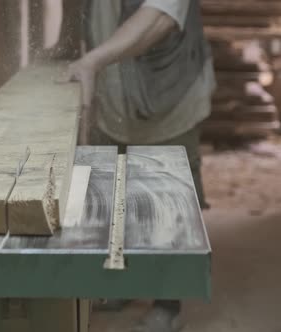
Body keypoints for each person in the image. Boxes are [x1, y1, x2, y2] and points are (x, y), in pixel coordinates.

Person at [60, 1, 215, 331]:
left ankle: (168, 302)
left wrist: (91, 61)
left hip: (167, 98)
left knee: (168, 206)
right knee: (119, 201)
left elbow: (158, 17)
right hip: (116, 97)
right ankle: (125, 284)